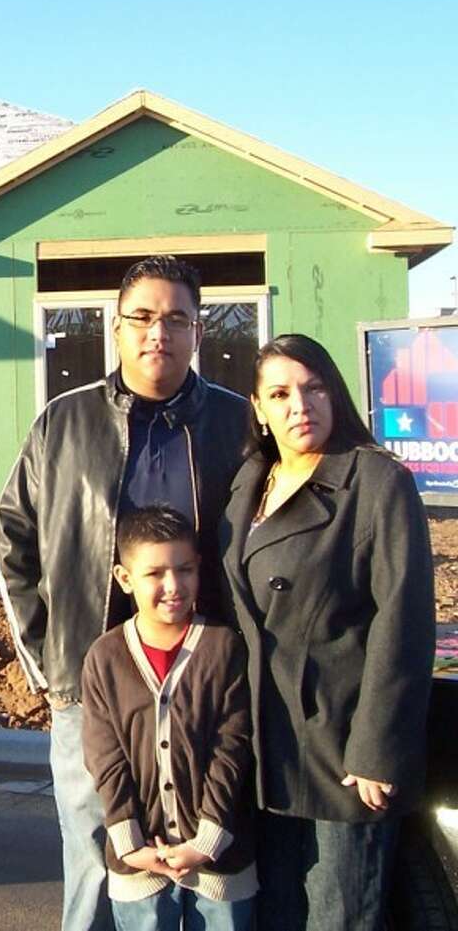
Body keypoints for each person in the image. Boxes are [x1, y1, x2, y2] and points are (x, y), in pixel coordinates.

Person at [0, 255, 251, 931]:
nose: (157, 333)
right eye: (142, 316)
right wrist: (46, 666)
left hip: (202, 689)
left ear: (199, 331)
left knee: (205, 867)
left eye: (176, 318)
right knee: (93, 859)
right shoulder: (64, 422)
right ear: (116, 326)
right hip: (89, 685)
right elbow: (14, 538)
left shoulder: (237, 424)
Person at [219, 333, 435, 931]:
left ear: (335, 393)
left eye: (314, 388)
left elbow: (405, 622)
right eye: (281, 393)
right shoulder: (247, 485)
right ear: (259, 409)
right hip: (264, 750)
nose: (300, 405)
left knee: (339, 919)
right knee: (276, 916)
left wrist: (376, 751)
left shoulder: (376, 482)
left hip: (343, 754)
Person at [82, 506, 256, 931]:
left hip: (219, 862)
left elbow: (232, 748)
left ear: (199, 568)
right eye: (154, 573)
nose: (173, 586)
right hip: (140, 862)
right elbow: (106, 759)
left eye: (184, 570)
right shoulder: (105, 658)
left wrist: (208, 839)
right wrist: (129, 842)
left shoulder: (223, 647)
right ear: (125, 578)